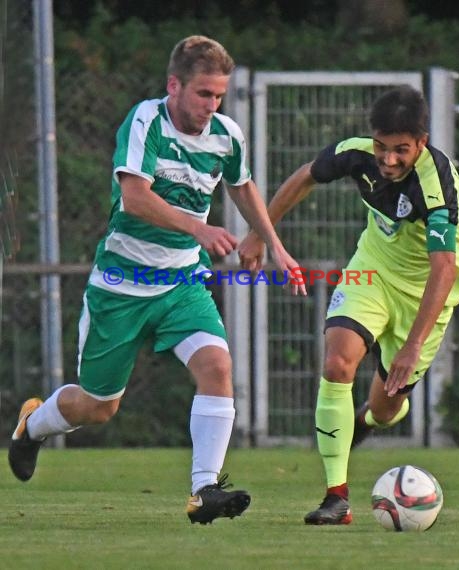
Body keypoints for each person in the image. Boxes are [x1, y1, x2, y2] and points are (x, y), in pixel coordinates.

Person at [8, 35, 305, 525]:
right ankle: (32, 426)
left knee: (217, 366)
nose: (212, 105)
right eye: (203, 94)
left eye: (219, 96)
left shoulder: (226, 135)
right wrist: (201, 227)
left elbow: (242, 184)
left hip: (182, 282)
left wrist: (273, 243)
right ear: (175, 85)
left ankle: (203, 490)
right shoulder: (146, 121)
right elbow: (135, 198)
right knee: (99, 406)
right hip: (121, 285)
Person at [238, 85, 459, 525]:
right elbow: (306, 175)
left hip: (426, 291)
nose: (388, 159)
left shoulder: (435, 181)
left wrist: (412, 346)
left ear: (421, 142)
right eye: (382, 147)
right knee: (337, 362)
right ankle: (336, 499)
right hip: (372, 271)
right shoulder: (357, 154)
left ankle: (368, 418)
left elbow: (441, 270)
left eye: (401, 150)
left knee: (385, 409)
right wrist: (258, 231)